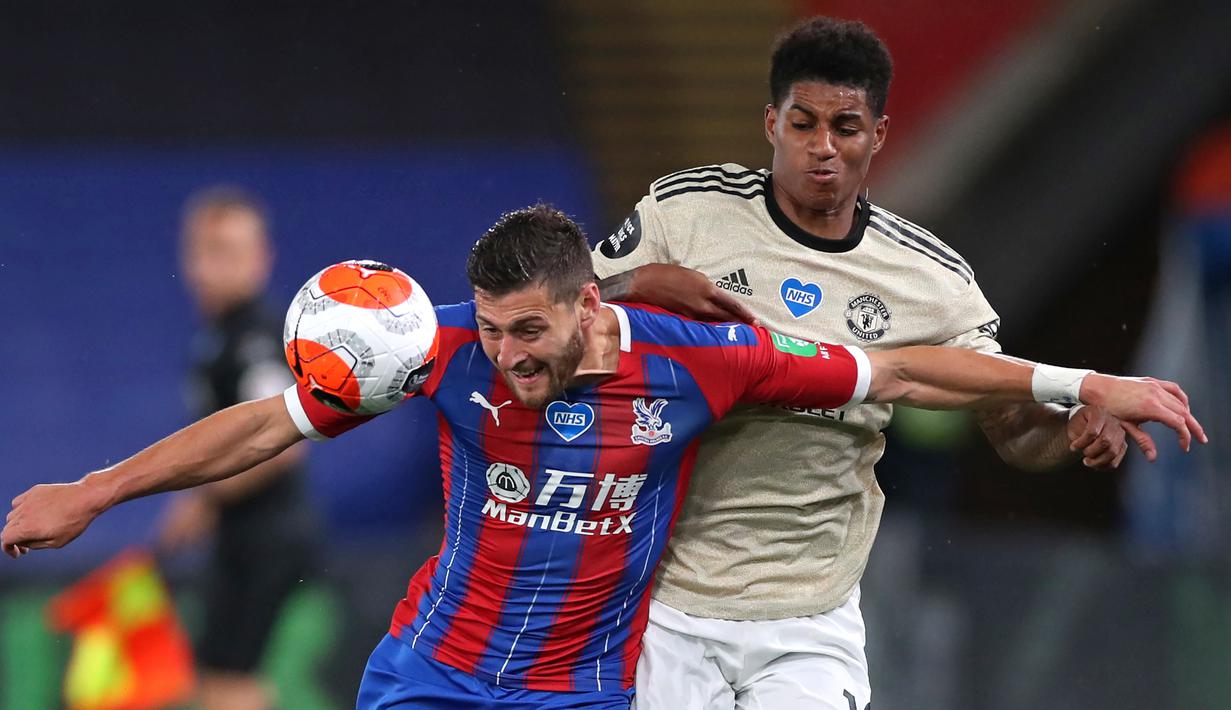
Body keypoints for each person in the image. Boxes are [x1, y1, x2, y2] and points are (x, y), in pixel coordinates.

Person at [2, 205, 1202, 710]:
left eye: (533, 327)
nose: (509, 355)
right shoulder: (448, 353)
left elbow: (901, 370)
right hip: (432, 670)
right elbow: (268, 421)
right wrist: (95, 489)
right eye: (495, 325)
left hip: (579, 690)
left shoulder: (701, 364)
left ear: (587, 305)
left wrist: (1079, 380)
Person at [591, 16, 1141, 709]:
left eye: (844, 128)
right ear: (771, 123)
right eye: (802, 124)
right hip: (661, 597)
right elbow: (556, 322)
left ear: (876, 135)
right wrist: (631, 286)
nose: (822, 148)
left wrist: (1070, 430)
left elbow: (1014, 430)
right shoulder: (685, 214)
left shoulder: (928, 279)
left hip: (808, 616)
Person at [161, 187, 318, 710]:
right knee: (226, 674)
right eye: (203, 250)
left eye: (227, 252)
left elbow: (281, 443)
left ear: (262, 259)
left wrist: (202, 498)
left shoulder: (256, 335)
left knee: (229, 677)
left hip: (266, 535)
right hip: (245, 534)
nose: (210, 266)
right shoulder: (219, 335)